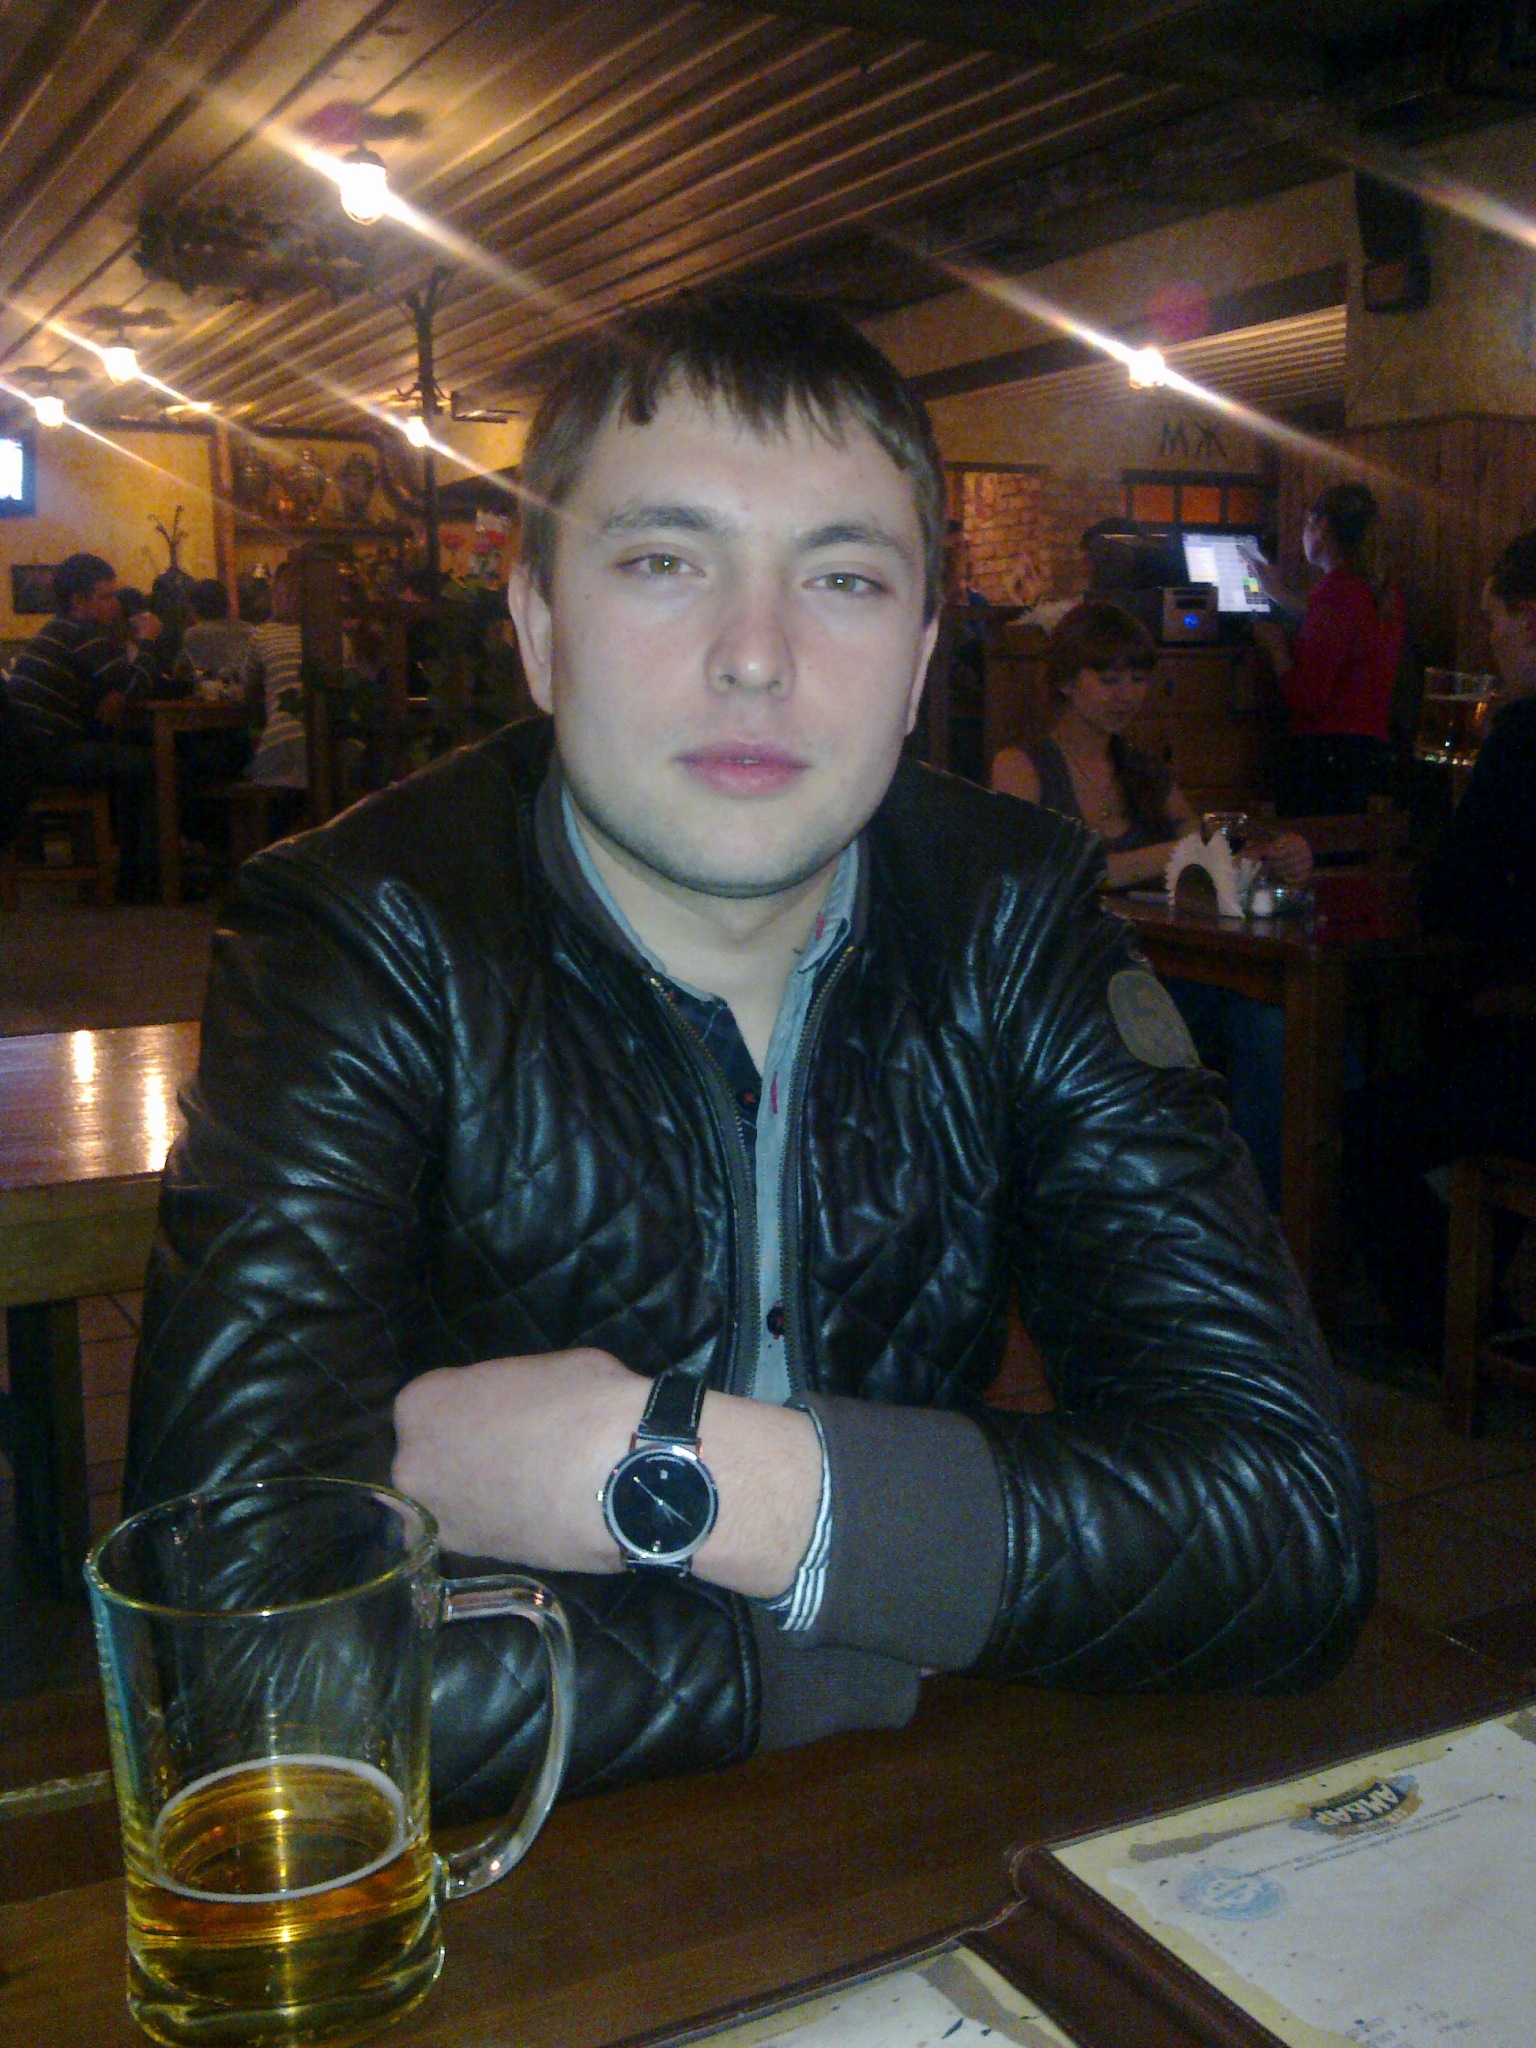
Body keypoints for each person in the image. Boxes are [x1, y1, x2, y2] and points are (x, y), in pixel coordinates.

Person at [124, 290, 1373, 1819]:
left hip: (911, 1837)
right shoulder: (355, 932)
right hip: (509, 1888)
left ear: (920, 659)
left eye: (842, 579)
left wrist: (666, 1471)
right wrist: (864, 1623)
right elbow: (240, 1672)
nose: (757, 656)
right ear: (539, 630)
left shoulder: (1015, 917)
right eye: (665, 562)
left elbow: (1291, 1523)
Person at [990, 601, 1312, 1206]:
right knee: (1262, 1021)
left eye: (1138, 678)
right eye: (1109, 678)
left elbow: (1205, 856)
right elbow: (1032, 880)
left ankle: (1265, 1212)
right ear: (1066, 681)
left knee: (1278, 1018)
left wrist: (1277, 857)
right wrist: (1167, 854)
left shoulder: (1141, 768)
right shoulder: (1021, 766)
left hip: (1168, 969)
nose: (1127, 695)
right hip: (1071, 985)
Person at [1347, 530, 1536, 1339]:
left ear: (1530, 619)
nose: (1489, 641)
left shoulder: (1523, 735)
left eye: (1494, 620)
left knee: (1360, 1128)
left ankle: (1445, 1327)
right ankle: (1483, 1307)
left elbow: (1453, 896)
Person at [3, 552, 163, 897]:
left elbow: (121, 689)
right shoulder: (84, 633)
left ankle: (131, 873)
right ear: (78, 601)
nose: (116, 605)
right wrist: (149, 640)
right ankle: (143, 881)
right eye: (107, 596)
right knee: (152, 764)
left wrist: (120, 693)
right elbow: (137, 687)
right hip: (44, 756)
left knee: (128, 758)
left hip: (21, 757)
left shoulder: (60, 630)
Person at [1244, 484, 1405, 816]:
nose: (1303, 535)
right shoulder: (1381, 591)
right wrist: (1278, 595)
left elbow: (1307, 699)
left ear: (1323, 528)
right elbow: (1345, 628)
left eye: (1307, 524)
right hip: (1369, 753)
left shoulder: (1336, 592)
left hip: (1327, 759)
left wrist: (1276, 647)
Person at [242, 558, 307, 790]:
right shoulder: (335, 635)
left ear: (276, 595)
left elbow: (248, 688)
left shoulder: (263, 634)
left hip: (283, 744)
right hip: (336, 745)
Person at [180, 577, 255, 681]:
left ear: (195, 607)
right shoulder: (251, 631)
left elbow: (184, 674)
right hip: (246, 689)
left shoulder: (192, 635)